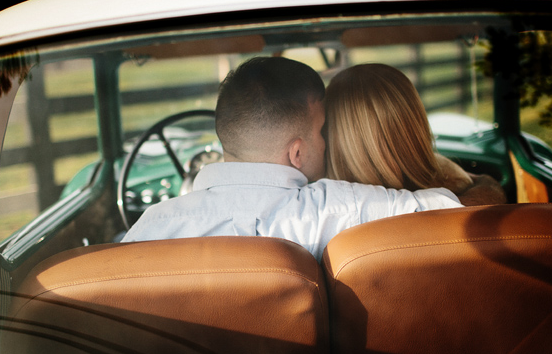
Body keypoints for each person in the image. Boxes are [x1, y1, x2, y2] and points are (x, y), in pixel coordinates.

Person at [122, 57, 497, 261]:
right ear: (297, 152)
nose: (327, 140)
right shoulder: (339, 208)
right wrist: (485, 184)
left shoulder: (152, 226)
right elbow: (462, 213)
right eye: (323, 130)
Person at [325, 63, 506, 204]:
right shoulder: (455, 187)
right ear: (417, 124)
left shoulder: (322, 207)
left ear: (334, 136)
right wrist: (485, 182)